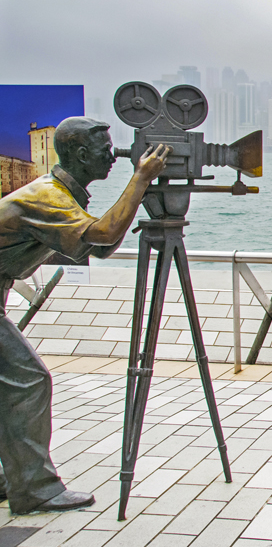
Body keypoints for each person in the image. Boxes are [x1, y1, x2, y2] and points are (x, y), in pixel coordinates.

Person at [0, 117, 170, 514]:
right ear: (79, 154)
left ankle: (12, 478)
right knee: (28, 381)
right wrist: (141, 180)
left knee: (9, 384)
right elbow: (103, 236)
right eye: (102, 149)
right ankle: (35, 489)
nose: (112, 155)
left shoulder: (61, 194)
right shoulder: (47, 197)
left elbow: (97, 245)